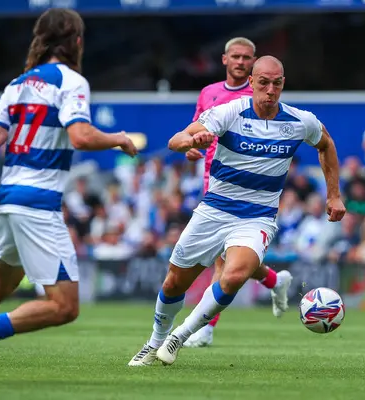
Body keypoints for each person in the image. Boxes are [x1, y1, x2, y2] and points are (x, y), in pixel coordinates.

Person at [0, 8, 138, 384]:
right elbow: (80, 135)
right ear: (76, 42)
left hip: (9, 198)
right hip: (38, 203)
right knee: (64, 307)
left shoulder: (17, 84)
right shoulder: (72, 81)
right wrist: (118, 138)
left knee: (1, 285)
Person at [128, 56, 345, 367]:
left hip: (257, 216)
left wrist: (334, 195)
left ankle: (180, 337)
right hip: (214, 210)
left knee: (234, 275)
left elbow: (326, 145)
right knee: (174, 283)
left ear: (283, 84)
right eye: (264, 83)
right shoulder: (230, 112)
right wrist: (194, 139)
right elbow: (176, 140)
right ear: (253, 83)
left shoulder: (301, 121)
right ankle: (154, 342)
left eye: (277, 83)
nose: (271, 90)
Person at [183, 37, 293, 348]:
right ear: (224, 59)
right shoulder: (209, 93)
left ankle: (205, 327)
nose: (241, 62)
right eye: (236, 56)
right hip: (212, 183)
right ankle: (275, 280)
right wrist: (192, 148)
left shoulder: (261, 93)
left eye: (247, 57)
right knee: (233, 259)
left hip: (248, 186)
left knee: (224, 260)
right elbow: (195, 130)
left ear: (254, 62)